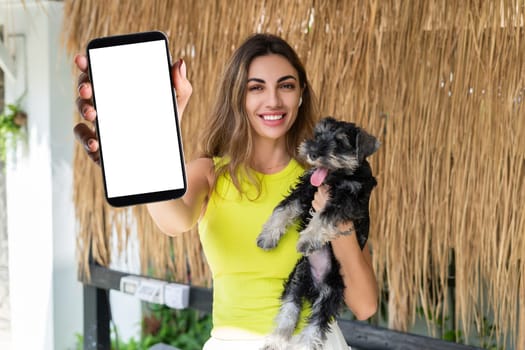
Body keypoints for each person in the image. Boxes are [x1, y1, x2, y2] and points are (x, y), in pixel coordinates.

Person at [74, 33, 378, 349]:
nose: (273, 100)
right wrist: (151, 145)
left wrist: (336, 218)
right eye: (256, 87)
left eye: (285, 85)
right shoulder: (209, 173)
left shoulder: (330, 179)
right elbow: (172, 222)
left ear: (301, 93)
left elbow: (365, 305)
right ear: (238, 96)